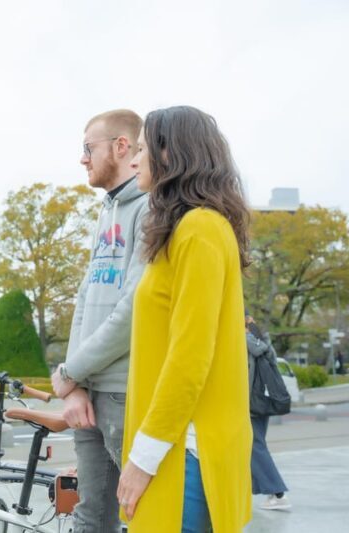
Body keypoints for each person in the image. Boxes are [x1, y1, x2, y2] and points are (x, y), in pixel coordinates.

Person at [116, 106, 253, 532]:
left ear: (169, 153)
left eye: (141, 149)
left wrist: (143, 457)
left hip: (186, 454)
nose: (134, 160)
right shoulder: (193, 229)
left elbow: (190, 356)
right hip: (179, 448)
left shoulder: (199, 229)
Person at [50, 109, 147, 533]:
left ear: (121, 147)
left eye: (88, 148)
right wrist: (75, 384)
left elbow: (133, 310)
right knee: (90, 516)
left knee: (144, 513)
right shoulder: (106, 211)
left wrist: (71, 371)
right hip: (90, 392)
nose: (83, 159)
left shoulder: (150, 208)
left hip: (125, 392)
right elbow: (87, 300)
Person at [246, 314, 291, 511]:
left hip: (250, 403)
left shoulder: (243, 342)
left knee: (254, 447)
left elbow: (245, 376)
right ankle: (263, 490)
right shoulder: (262, 341)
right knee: (255, 445)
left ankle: (277, 492)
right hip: (263, 401)